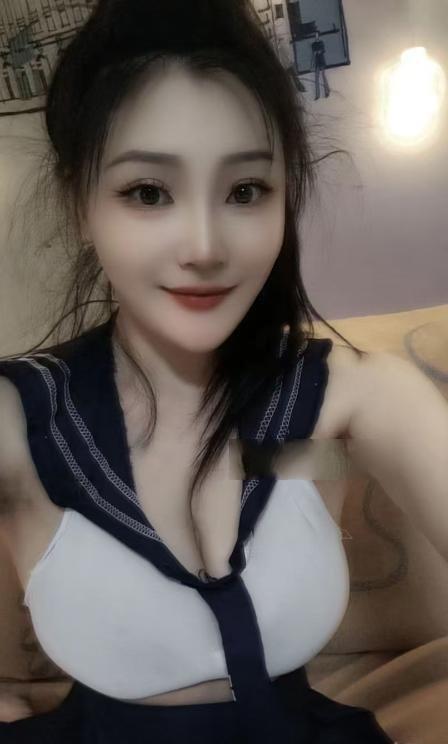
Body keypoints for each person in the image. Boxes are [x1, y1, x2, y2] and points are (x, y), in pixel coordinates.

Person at [1, 0, 439, 741]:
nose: (204, 246)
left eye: (245, 191)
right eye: (148, 193)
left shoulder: (354, 397)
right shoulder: (21, 418)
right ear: (81, 204)